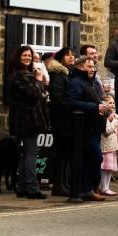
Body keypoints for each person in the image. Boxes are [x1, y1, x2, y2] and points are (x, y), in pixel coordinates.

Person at [5, 45, 48, 199]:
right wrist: (38, 80)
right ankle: (32, 188)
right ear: (18, 57)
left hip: (22, 118)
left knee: (25, 154)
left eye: (29, 56)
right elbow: (34, 93)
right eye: (24, 55)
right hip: (28, 119)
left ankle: (22, 186)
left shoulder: (18, 73)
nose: (27, 58)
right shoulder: (21, 74)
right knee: (31, 153)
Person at [67, 53, 109, 201]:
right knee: (92, 157)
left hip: (95, 127)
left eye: (93, 66)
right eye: (89, 66)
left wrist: (104, 108)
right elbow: (72, 102)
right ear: (80, 67)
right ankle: (86, 189)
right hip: (84, 128)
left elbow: (97, 100)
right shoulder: (76, 82)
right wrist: (95, 107)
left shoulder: (90, 82)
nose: (92, 69)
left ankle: (91, 188)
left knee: (94, 158)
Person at [47, 48, 75, 197]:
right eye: (67, 55)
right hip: (61, 118)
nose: (71, 57)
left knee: (65, 152)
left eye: (72, 55)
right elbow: (57, 98)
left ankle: (64, 183)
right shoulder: (59, 75)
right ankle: (58, 184)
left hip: (67, 118)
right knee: (60, 151)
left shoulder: (68, 74)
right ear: (61, 58)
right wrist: (71, 107)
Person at [99, 96, 118, 196]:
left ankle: (107, 187)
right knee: (104, 168)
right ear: (104, 104)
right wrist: (112, 121)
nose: (112, 105)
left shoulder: (116, 116)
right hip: (105, 147)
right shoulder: (104, 116)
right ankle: (103, 187)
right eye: (109, 103)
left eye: (113, 103)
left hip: (113, 147)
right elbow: (106, 131)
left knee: (110, 168)